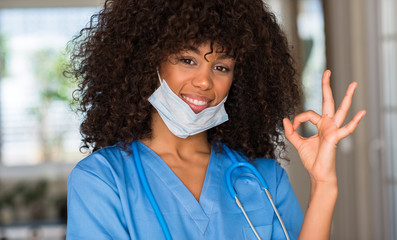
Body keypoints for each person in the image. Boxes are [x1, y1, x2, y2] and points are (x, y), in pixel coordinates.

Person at [66, 0, 366, 239]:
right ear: (147, 63)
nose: (204, 81)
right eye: (187, 60)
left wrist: (323, 182)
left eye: (221, 67)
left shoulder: (262, 178)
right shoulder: (102, 179)